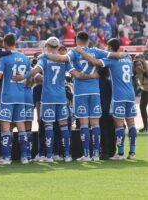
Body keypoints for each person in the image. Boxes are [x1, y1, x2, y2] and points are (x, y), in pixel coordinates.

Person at [45, 32, 126, 161]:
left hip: (80, 92)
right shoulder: (95, 51)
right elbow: (113, 55)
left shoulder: (74, 52)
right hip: (94, 91)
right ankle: (95, 154)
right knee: (95, 123)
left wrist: (44, 55)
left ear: (77, 40)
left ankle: (86, 155)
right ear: (88, 40)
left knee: (83, 123)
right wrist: (124, 54)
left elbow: (61, 59)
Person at [27, 37, 99, 163]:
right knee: (64, 127)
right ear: (57, 47)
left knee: (48, 126)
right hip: (61, 97)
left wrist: (24, 75)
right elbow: (76, 74)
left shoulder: (45, 58)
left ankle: (49, 156)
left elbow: (35, 71)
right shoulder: (64, 59)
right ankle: (67, 155)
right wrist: (91, 76)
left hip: (48, 97)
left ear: (48, 46)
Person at [75, 39, 137, 160]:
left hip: (119, 95)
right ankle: (132, 152)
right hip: (131, 94)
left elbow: (93, 61)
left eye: (107, 47)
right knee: (131, 124)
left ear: (109, 48)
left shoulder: (111, 60)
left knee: (118, 125)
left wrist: (81, 52)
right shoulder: (128, 59)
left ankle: (120, 154)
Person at [0, 34, 31, 165]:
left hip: (7, 97)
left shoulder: (4, 59)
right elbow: (30, 75)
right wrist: (23, 77)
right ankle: (25, 157)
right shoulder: (25, 58)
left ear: (4, 43)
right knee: (21, 127)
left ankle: (7, 157)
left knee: (5, 128)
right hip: (20, 96)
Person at [134, 54, 148, 133]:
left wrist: (142, 70)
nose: (137, 62)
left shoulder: (146, 64)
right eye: (136, 60)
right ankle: (146, 126)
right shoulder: (136, 66)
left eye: (139, 59)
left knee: (143, 107)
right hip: (145, 89)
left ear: (143, 58)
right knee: (142, 107)